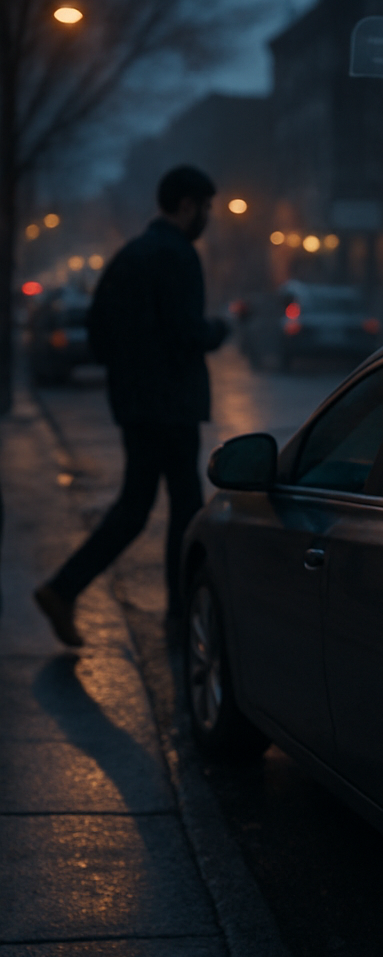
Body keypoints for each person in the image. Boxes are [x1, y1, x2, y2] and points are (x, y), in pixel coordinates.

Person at [33, 165, 228, 647]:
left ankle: (64, 588)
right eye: (205, 208)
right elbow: (188, 333)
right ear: (186, 205)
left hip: (135, 406)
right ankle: (180, 613)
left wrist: (132, 369)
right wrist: (218, 330)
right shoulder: (179, 255)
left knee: (136, 506)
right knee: (184, 508)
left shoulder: (128, 256)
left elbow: (98, 338)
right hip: (174, 406)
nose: (207, 217)